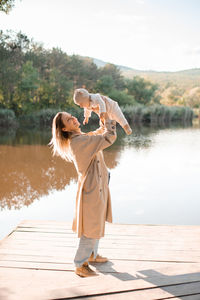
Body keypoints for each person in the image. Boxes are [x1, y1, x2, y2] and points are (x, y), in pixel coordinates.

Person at [49, 111, 117, 277]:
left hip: (98, 185)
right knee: (91, 227)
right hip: (92, 188)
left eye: (71, 115)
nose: (72, 118)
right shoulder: (79, 142)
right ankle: (80, 264)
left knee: (97, 220)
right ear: (64, 128)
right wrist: (110, 121)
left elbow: (97, 133)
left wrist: (103, 120)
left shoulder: (83, 137)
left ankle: (92, 255)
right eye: (68, 119)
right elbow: (108, 137)